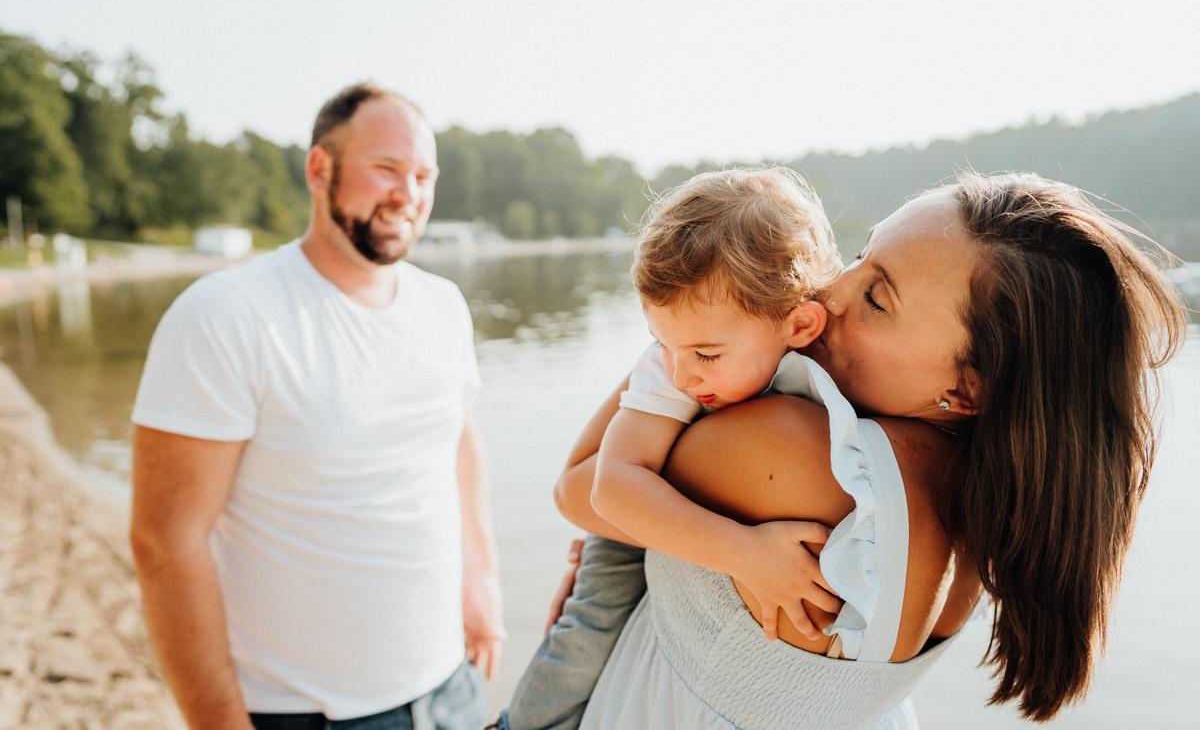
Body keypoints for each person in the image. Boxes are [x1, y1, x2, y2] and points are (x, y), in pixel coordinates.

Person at [543, 172, 1186, 727]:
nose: (828, 294)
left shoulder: (792, 448)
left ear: (968, 387)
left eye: (877, 297)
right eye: (858, 256)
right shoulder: (990, 506)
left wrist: (670, 349)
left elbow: (581, 487)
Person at [129, 83, 503, 730]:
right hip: (303, 713)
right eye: (386, 168)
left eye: (422, 175)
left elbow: (457, 444)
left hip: (450, 691)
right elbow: (165, 542)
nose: (407, 193)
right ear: (318, 169)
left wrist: (482, 582)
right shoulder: (227, 316)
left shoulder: (442, 307)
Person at [499, 167, 844, 730]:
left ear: (800, 323)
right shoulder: (672, 365)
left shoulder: (828, 361)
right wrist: (744, 553)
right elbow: (613, 485)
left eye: (705, 355)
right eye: (663, 343)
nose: (682, 375)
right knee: (586, 629)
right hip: (641, 508)